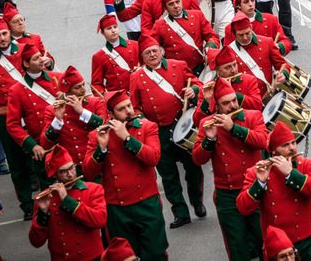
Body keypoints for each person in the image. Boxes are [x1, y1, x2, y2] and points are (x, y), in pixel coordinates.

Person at [128, 35, 205, 228]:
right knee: (168, 174)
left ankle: (197, 201)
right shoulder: (136, 77)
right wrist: (143, 122)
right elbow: (135, 108)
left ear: (161, 51)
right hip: (158, 132)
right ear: (142, 58)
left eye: (155, 50)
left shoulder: (177, 65)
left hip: (183, 125)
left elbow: (198, 84)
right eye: (147, 53)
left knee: (193, 167)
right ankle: (180, 212)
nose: (152, 54)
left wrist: (193, 92)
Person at [82, 90, 168, 260]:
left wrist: (128, 138)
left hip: (147, 203)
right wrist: (102, 149)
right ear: (111, 114)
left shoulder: (147, 127)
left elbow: (153, 158)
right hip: (117, 208)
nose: (129, 111)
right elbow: (88, 172)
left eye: (129, 105)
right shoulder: (97, 135)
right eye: (122, 109)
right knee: (125, 255)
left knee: (155, 253)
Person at [192, 79, 267, 261]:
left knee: (264, 241)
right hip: (228, 193)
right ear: (217, 105)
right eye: (226, 103)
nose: (233, 105)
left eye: (234, 100)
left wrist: (233, 128)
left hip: (255, 188)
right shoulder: (206, 124)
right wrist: (209, 140)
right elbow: (198, 159)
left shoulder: (253, 116)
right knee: (237, 245)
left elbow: (262, 141)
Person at [236, 122, 311, 260]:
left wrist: (291, 173)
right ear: (274, 151)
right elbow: (243, 208)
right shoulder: (255, 172)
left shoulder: (308, 165)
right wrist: (260, 183)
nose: (292, 148)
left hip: (310, 241)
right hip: (279, 248)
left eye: (293, 143)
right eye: (285, 145)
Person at [0, 15, 37, 217]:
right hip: (6, 116)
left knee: (37, 156)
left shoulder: (24, 50)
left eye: (4, 33)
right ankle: (27, 206)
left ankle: (45, 198)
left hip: (31, 111)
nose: (2, 38)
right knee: (16, 162)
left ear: (9, 33)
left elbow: (42, 69)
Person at [28, 145, 107, 260]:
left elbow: (100, 221)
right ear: (55, 174)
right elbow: (36, 242)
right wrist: (43, 214)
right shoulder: (45, 198)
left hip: (92, 257)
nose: (70, 174)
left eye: (72, 168)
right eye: (63, 172)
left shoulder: (93, 189)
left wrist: (67, 200)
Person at [5, 43, 61, 192]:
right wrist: (32, 146)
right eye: (36, 59)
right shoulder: (16, 90)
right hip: (42, 147)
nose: (42, 60)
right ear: (26, 64)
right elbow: (12, 124)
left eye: (41, 57)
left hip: (65, 140)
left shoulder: (58, 78)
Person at [40, 66, 107, 168]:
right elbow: (45, 144)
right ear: (67, 91)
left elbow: (105, 126)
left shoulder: (96, 102)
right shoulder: (52, 109)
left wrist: (82, 111)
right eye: (78, 87)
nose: (83, 89)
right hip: (72, 166)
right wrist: (57, 120)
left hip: (96, 160)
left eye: (83, 84)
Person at [91, 14, 139, 93]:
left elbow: (148, 65)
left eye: (115, 27)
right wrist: (106, 99)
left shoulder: (135, 45)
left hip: (138, 91)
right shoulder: (98, 56)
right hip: (118, 99)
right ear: (102, 33)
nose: (113, 30)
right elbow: (96, 85)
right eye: (109, 28)